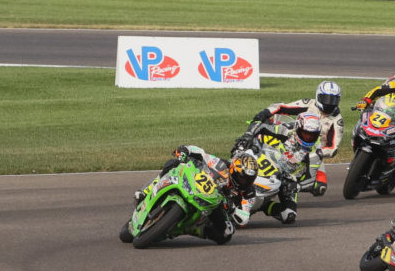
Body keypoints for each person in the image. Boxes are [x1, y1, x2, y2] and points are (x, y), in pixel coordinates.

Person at [131, 145, 259, 242]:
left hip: (217, 208)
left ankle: (191, 230)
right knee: (174, 164)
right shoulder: (221, 165)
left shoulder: (249, 193)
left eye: (249, 179)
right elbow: (201, 153)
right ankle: (147, 190)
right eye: (242, 177)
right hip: (198, 188)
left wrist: (233, 210)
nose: (245, 181)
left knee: (226, 234)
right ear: (234, 169)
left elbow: (244, 217)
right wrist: (185, 150)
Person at [240, 112, 323, 223]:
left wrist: (296, 186)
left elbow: (310, 179)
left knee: (288, 215)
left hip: (287, 179)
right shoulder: (288, 131)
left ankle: (263, 205)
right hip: (268, 161)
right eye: (305, 133)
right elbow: (261, 127)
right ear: (298, 128)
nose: (308, 138)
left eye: (312, 135)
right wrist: (248, 136)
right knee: (243, 157)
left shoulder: (315, 153)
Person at [243, 80, 344, 159]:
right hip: (291, 140)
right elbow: (282, 107)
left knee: (318, 184)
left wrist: (314, 153)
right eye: (326, 99)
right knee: (265, 126)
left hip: (310, 153)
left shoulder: (337, 121)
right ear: (318, 96)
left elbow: (332, 149)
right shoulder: (309, 104)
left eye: (333, 100)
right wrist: (265, 113)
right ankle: (245, 148)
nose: (330, 103)